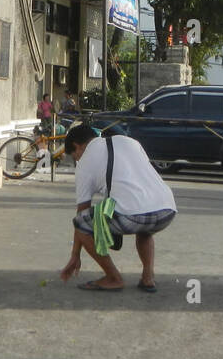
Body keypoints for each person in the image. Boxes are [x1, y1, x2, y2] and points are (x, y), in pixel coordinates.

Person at [58, 124, 176, 293]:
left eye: (74, 156)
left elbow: (82, 213)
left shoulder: (85, 162)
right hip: (166, 209)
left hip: (134, 215)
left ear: (77, 146)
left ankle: (113, 277)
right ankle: (148, 278)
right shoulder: (130, 142)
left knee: (82, 223)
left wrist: (75, 255)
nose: (77, 160)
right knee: (143, 227)